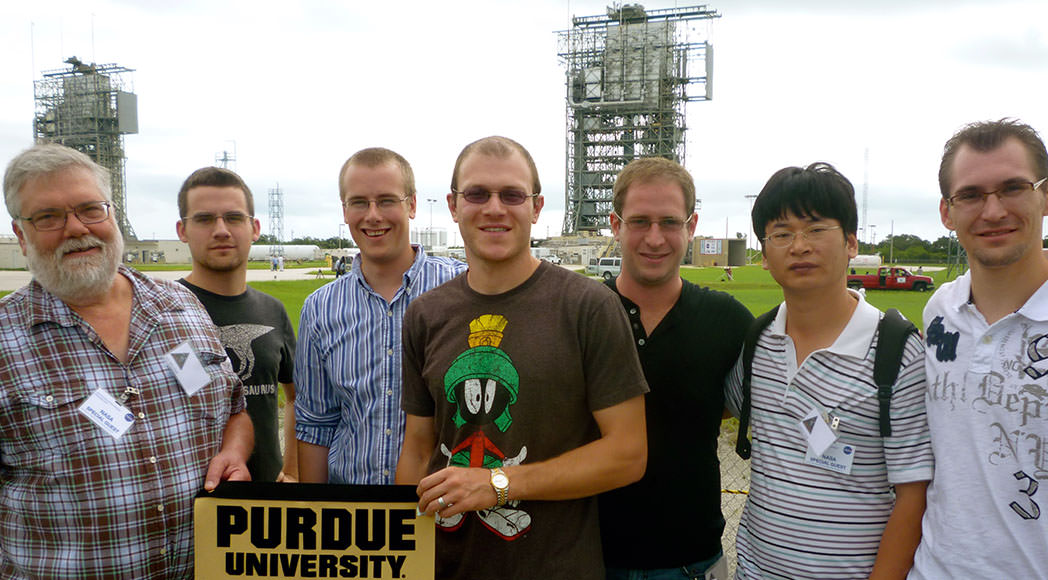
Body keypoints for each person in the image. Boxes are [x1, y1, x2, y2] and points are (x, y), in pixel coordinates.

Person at [395, 136, 649, 580]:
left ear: (536, 207)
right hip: (444, 566)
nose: (495, 208)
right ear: (454, 206)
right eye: (477, 193)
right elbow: (417, 447)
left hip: (553, 566)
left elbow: (627, 454)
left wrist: (498, 485)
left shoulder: (588, 307)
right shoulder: (425, 314)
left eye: (512, 194)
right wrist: (407, 551)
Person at [0, 144, 253, 577]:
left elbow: (233, 409)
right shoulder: (7, 341)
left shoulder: (179, 307)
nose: (76, 229)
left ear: (112, 215)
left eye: (90, 209)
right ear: (21, 234)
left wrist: (234, 451)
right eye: (48, 217)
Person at [909, 119, 1048, 579]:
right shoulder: (941, 310)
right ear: (946, 212)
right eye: (970, 195)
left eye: (1013, 188)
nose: (992, 211)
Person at [725, 162, 932, 579]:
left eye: (816, 229)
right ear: (764, 255)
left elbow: (914, 496)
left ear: (852, 242)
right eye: (781, 234)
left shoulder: (898, 353)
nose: (799, 246)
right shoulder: (758, 341)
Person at [598, 157, 752, 579]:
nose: (654, 238)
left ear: (692, 225)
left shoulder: (729, 320)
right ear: (615, 224)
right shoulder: (580, 313)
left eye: (669, 222)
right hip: (589, 558)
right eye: (639, 221)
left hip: (691, 561)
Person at [295, 147, 465, 484]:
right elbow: (316, 423)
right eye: (359, 202)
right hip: (356, 515)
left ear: (412, 205)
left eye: (387, 200)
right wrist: (314, 513)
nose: (373, 215)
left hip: (445, 512)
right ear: (344, 210)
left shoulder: (460, 288)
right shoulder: (320, 308)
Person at [175, 166, 298, 482]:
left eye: (233, 218)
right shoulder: (164, 312)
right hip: (190, 498)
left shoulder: (272, 311)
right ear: (182, 231)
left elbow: (298, 398)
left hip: (265, 500)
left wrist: (291, 470)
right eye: (204, 219)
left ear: (254, 227)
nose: (221, 230)